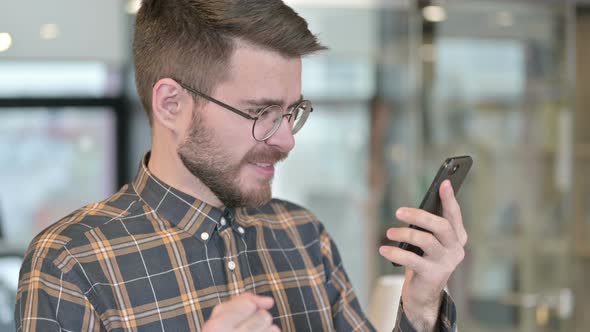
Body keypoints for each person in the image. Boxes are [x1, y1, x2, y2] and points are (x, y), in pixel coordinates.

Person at [15, 1, 467, 331]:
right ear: (172, 104)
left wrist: (423, 308)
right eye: (259, 114)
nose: (286, 139)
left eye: (291, 112)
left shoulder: (304, 237)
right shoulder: (72, 263)